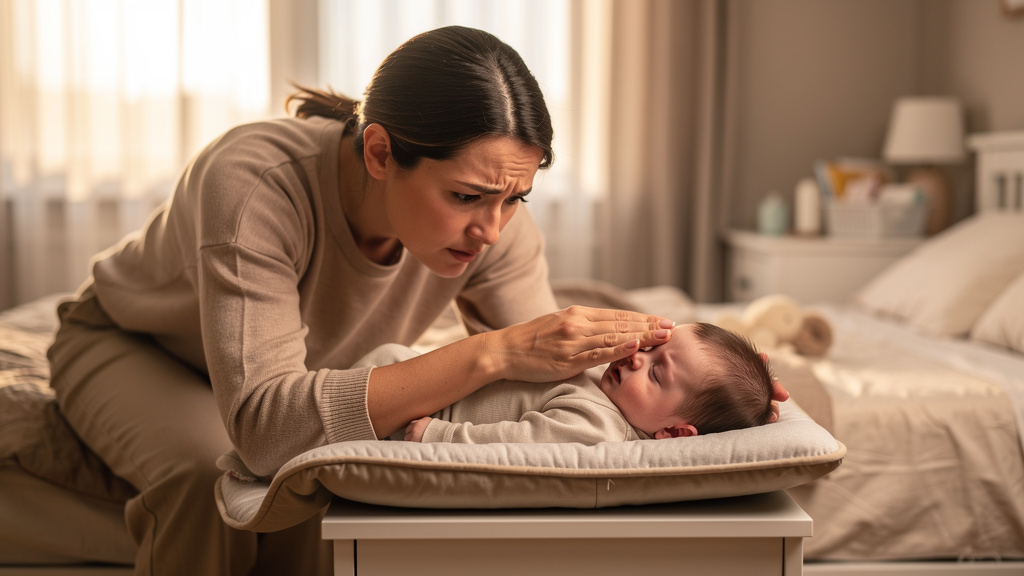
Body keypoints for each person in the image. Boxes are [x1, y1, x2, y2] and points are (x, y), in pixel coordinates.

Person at [45, 26, 676, 576]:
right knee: (212, 477)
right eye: (466, 197)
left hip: (295, 373)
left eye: (516, 199)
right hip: (134, 345)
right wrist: (492, 354)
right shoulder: (253, 183)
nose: (492, 229)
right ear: (379, 152)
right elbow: (266, 429)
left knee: (335, 482)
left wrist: (725, 387)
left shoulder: (495, 224)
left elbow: (565, 385)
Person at [355, 322, 787, 444]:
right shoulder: (607, 392)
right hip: (408, 372)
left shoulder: (598, 425)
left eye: (656, 373)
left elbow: (521, 444)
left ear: (673, 431)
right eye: (652, 348)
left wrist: (442, 435)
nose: (636, 356)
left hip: (406, 409)